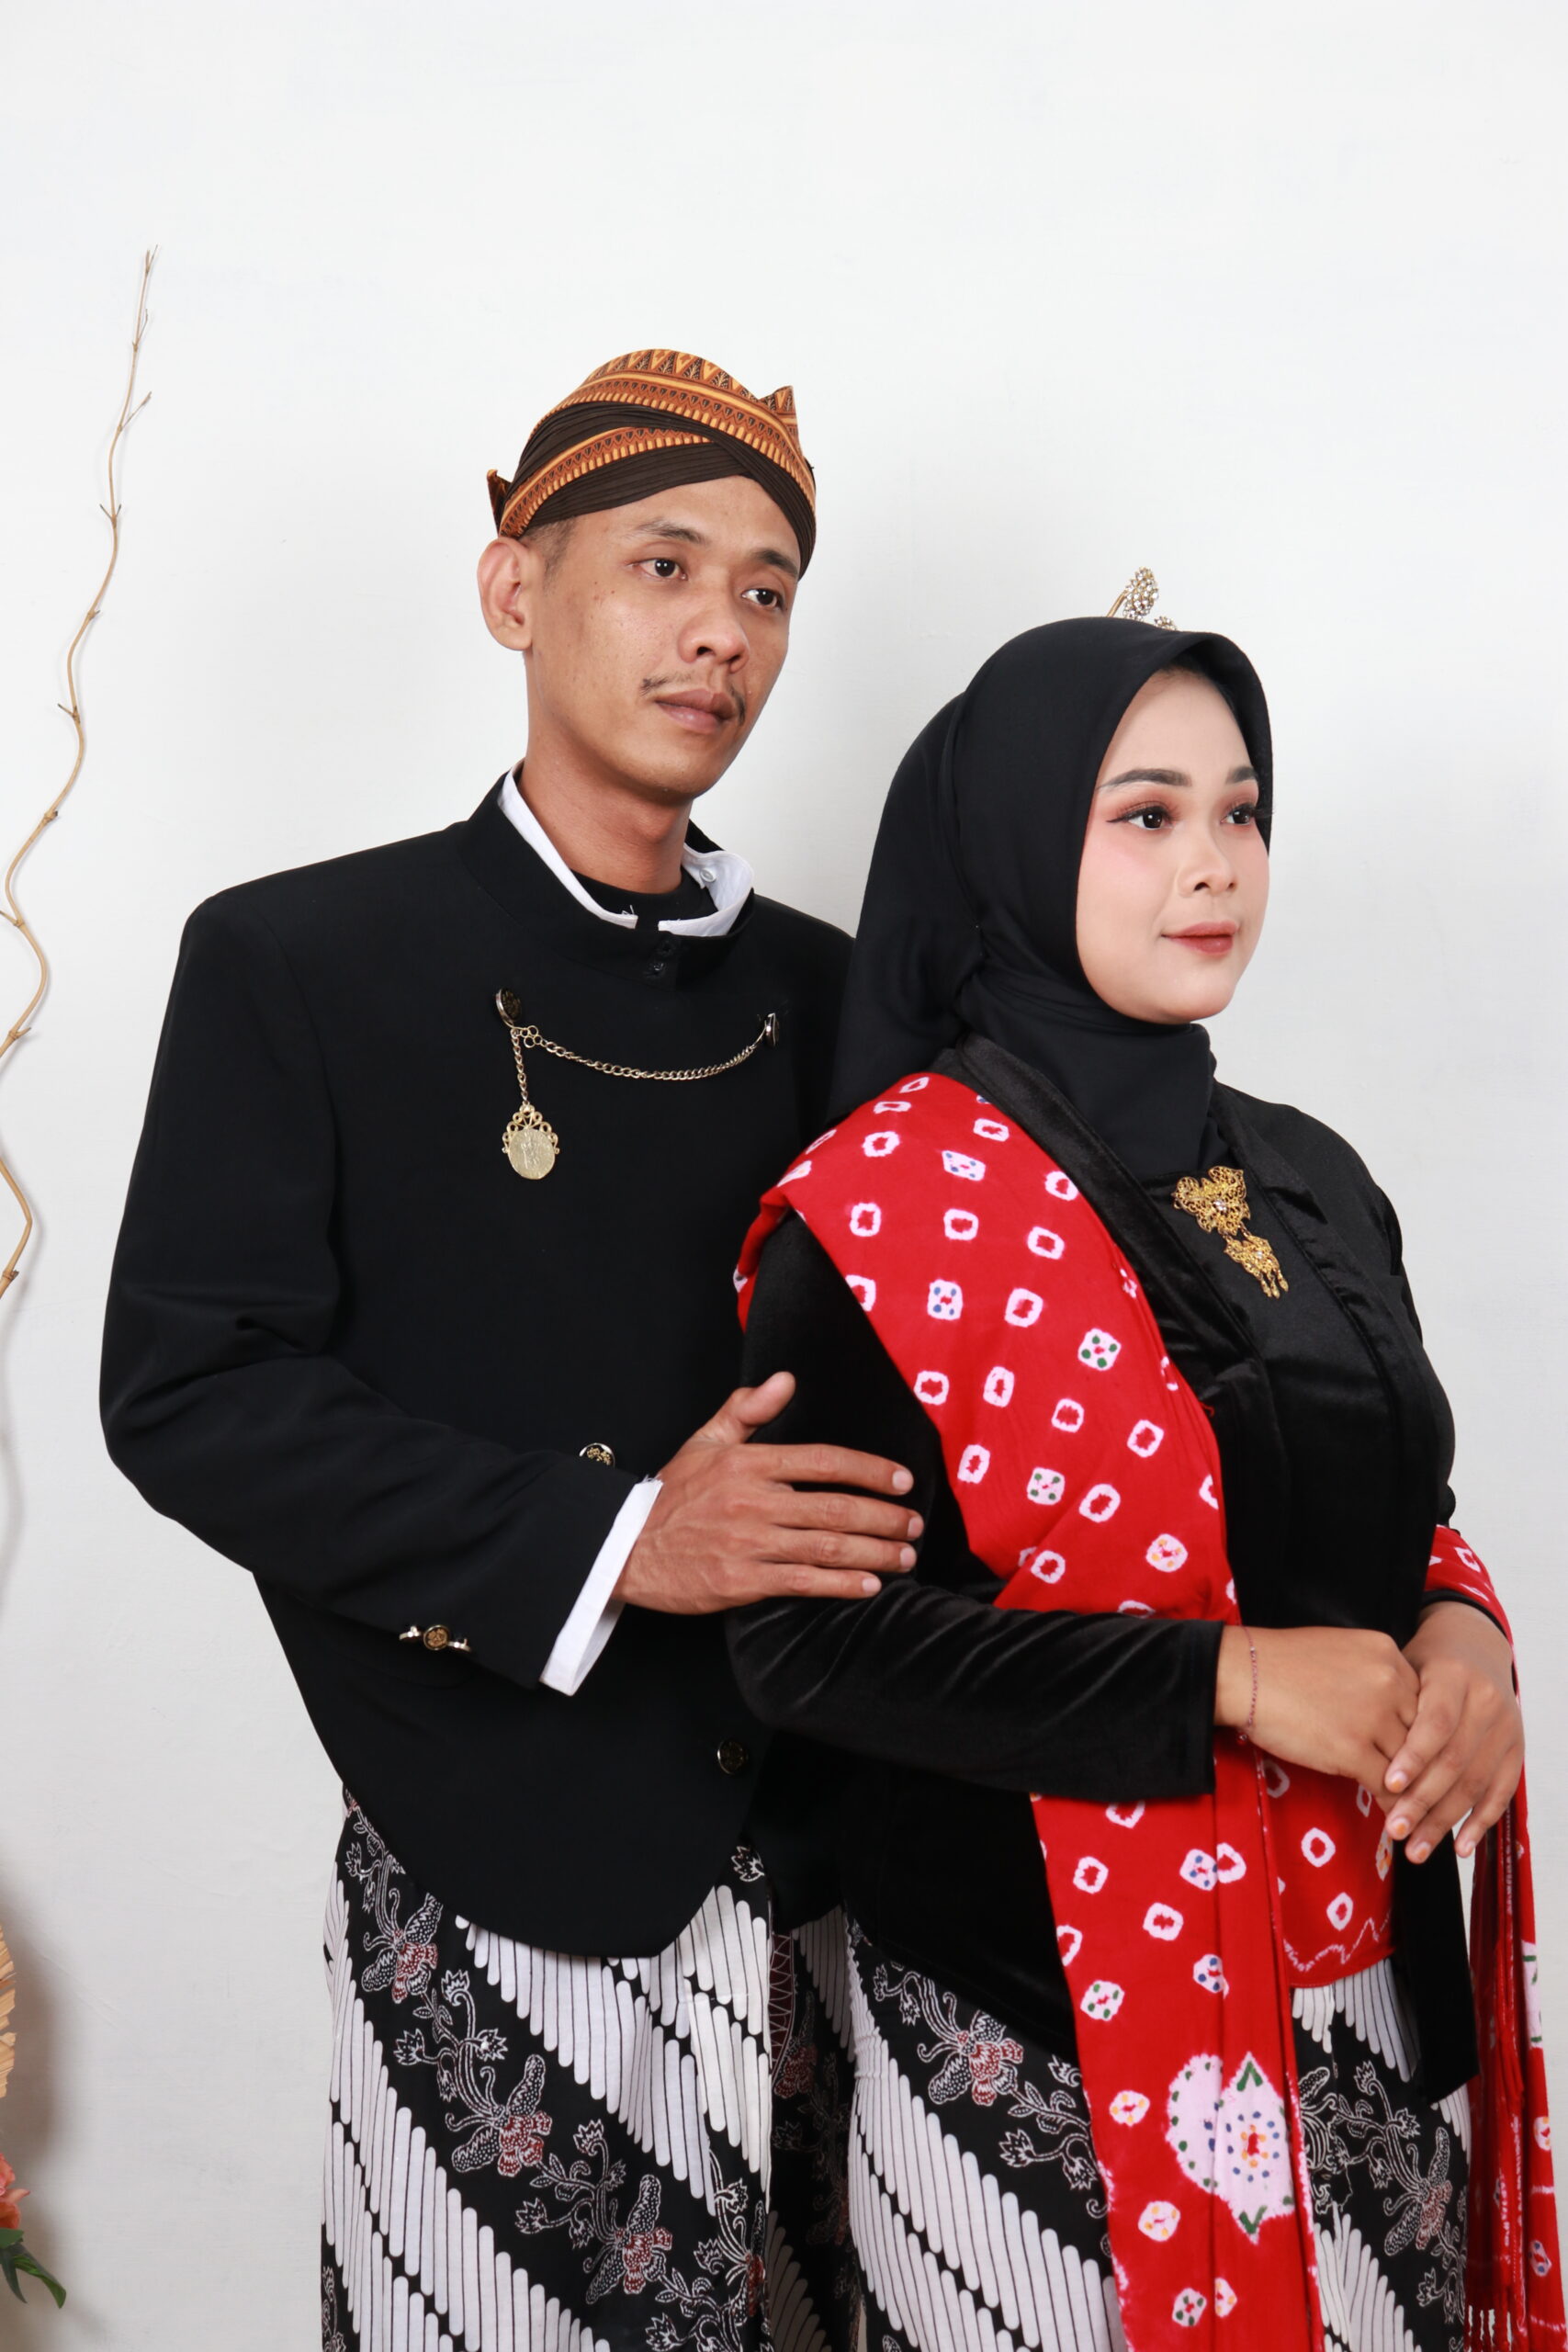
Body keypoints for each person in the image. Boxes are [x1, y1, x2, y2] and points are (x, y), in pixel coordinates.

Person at [101, 350, 924, 2352]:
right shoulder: (298, 959)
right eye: (664, 565)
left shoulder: (848, 1001)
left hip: (843, 1873)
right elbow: (193, 1392)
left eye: (767, 589)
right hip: (499, 1865)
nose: (721, 632)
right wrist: (619, 1540)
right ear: (512, 589)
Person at [725, 602, 1561, 2352]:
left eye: (1242, 811)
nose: (1214, 864)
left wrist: (1467, 1643)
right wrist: (1228, 1682)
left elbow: (1396, 1515)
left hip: (1357, 2009)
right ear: (1021, 845)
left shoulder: (1313, 1176)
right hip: (1044, 2047)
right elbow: (814, 1648)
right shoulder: (881, 1211)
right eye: (1148, 814)